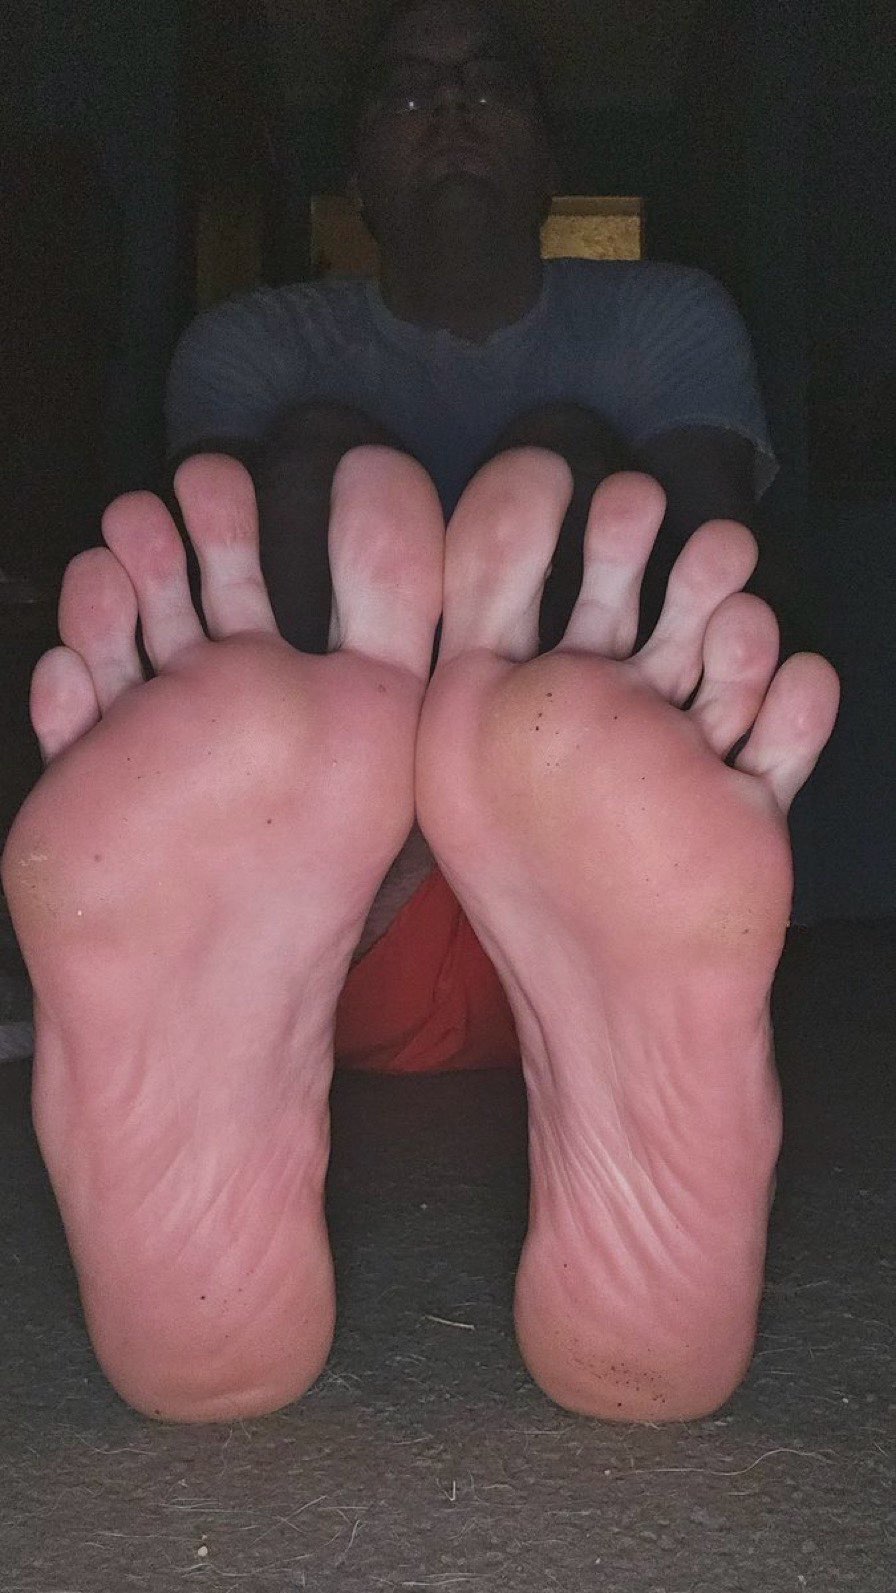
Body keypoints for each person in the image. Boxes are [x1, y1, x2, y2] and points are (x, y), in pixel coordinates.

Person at [1, 0, 838, 1426]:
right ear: (358, 174)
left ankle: (356, 909)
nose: (449, 110)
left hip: (576, 896)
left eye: (485, 82)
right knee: (339, 457)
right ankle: (317, 918)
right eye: (406, 93)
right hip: (364, 907)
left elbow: (710, 574)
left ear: (553, 154)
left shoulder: (660, 311)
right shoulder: (255, 342)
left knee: (560, 462)